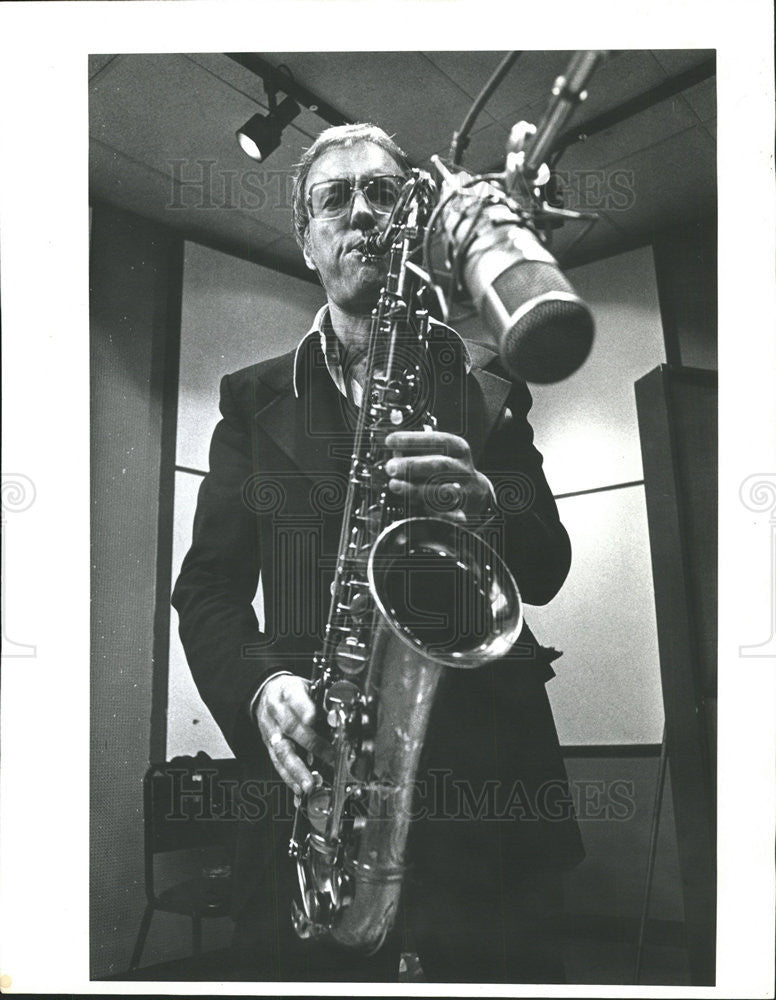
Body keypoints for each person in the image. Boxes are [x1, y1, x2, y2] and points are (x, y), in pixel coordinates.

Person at [172, 123, 584, 983]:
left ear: (411, 223)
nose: (363, 211)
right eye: (336, 197)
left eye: (386, 193)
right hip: (315, 795)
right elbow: (207, 590)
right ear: (307, 238)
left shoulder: (485, 382)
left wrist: (486, 505)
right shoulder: (251, 402)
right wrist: (259, 690)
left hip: (487, 807)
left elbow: (545, 565)